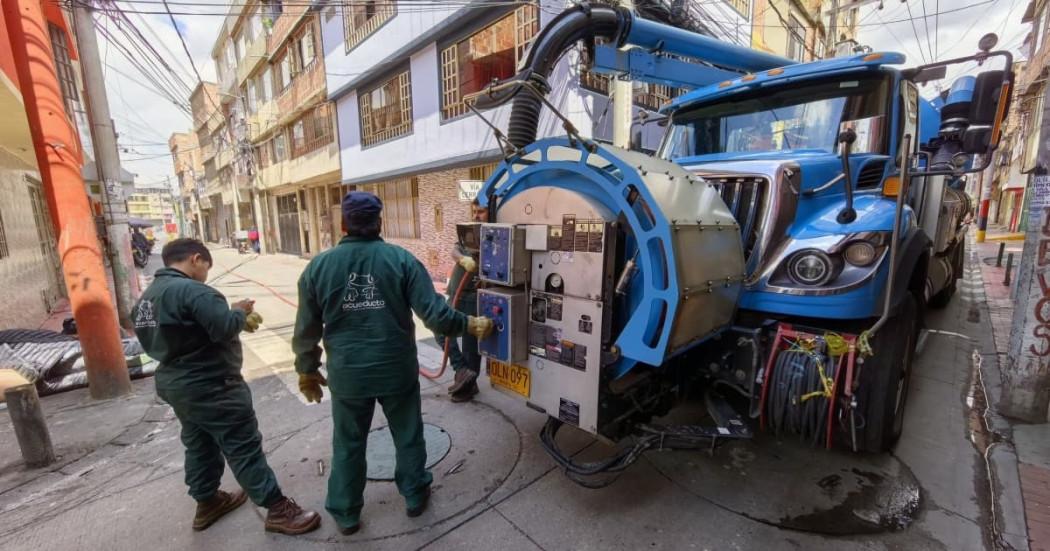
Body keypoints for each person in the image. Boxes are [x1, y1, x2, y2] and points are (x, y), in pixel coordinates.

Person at [292, 191, 494, 535]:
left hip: (348, 376)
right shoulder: (400, 260)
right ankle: (415, 494)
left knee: (348, 442)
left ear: (343, 224)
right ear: (379, 223)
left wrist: (307, 369)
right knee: (408, 434)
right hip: (395, 371)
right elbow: (436, 315)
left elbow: (306, 329)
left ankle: (345, 513)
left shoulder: (318, 268)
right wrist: (469, 325)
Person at [132, 238, 321, 536]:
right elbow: (223, 328)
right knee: (241, 444)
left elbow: (187, 333)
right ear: (196, 259)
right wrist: (239, 311)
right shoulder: (195, 291)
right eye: (206, 265)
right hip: (212, 384)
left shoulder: (146, 299)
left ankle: (207, 501)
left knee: (200, 443)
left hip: (175, 384)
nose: (206, 272)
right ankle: (277, 508)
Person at [435, 199, 487, 403]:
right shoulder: (469, 232)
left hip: (475, 297)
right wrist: (463, 259)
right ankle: (461, 369)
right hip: (457, 293)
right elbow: (454, 251)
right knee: (440, 329)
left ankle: (469, 385)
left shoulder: (496, 237)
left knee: (471, 343)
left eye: (481, 211)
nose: (476, 215)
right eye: (474, 211)